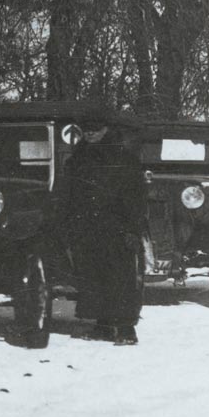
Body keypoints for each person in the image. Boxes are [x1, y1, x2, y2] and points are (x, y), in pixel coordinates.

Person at [53, 122, 147, 344]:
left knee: (121, 278)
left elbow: (136, 196)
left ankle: (126, 329)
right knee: (93, 277)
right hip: (86, 228)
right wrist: (65, 224)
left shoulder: (124, 158)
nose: (91, 132)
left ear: (107, 129)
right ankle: (102, 325)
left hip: (117, 228)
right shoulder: (77, 159)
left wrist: (133, 229)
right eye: (87, 128)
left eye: (96, 128)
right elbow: (67, 193)